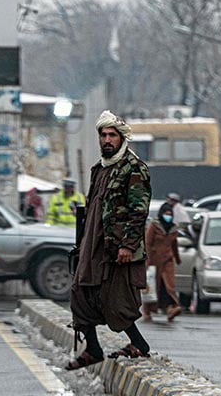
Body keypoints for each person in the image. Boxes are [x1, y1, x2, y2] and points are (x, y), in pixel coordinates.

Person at [66, 110, 152, 371]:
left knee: (116, 302)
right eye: (103, 135)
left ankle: (140, 346)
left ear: (121, 138)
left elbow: (139, 211)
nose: (107, 140)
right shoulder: (99, 169)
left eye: (112, 135)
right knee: (80, 295)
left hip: (116, 250)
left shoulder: (133, 168)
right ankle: (93, 350)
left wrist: (127, 244)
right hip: (92, 248)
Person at [143, 203, 182, 322]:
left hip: (167, 261)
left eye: (170, 214)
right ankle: (147, 309)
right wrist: (148, 259)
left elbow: (174, 244)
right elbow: (148, 243)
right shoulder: (154, 226)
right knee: (154, 286)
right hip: (154, 261)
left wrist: (177, 258)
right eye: (166, 214)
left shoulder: (173, 228)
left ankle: (171, 307)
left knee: (169, 285)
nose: (168, 216)